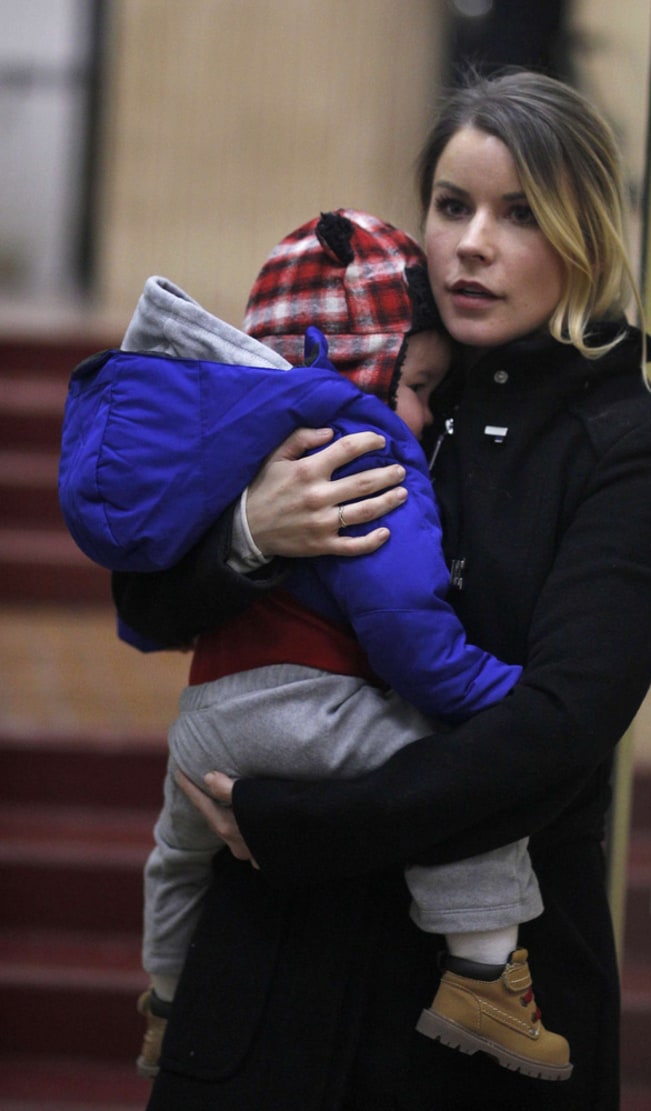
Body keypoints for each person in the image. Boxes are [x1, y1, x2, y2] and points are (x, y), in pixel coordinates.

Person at [106, 69, 651, 1110]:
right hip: (276, 979)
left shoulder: (636, 450)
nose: (471, 242)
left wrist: (297, 822)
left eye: (519, 213)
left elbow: (557, 734)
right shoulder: (357, 387)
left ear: (585, 236)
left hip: (489, 999)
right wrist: (256, 529)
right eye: (451, 205)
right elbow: (149, 608)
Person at [85, 210, 565, 1080]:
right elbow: (405, 631)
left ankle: (161, 996)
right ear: (364, 363)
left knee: (176, 851)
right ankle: (484, 975)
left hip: (202, 722)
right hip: (301, 711)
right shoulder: (365, 447)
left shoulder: (234, 427)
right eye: (416, 385)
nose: (421, 413)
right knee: (462, 786)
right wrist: (496, 696)